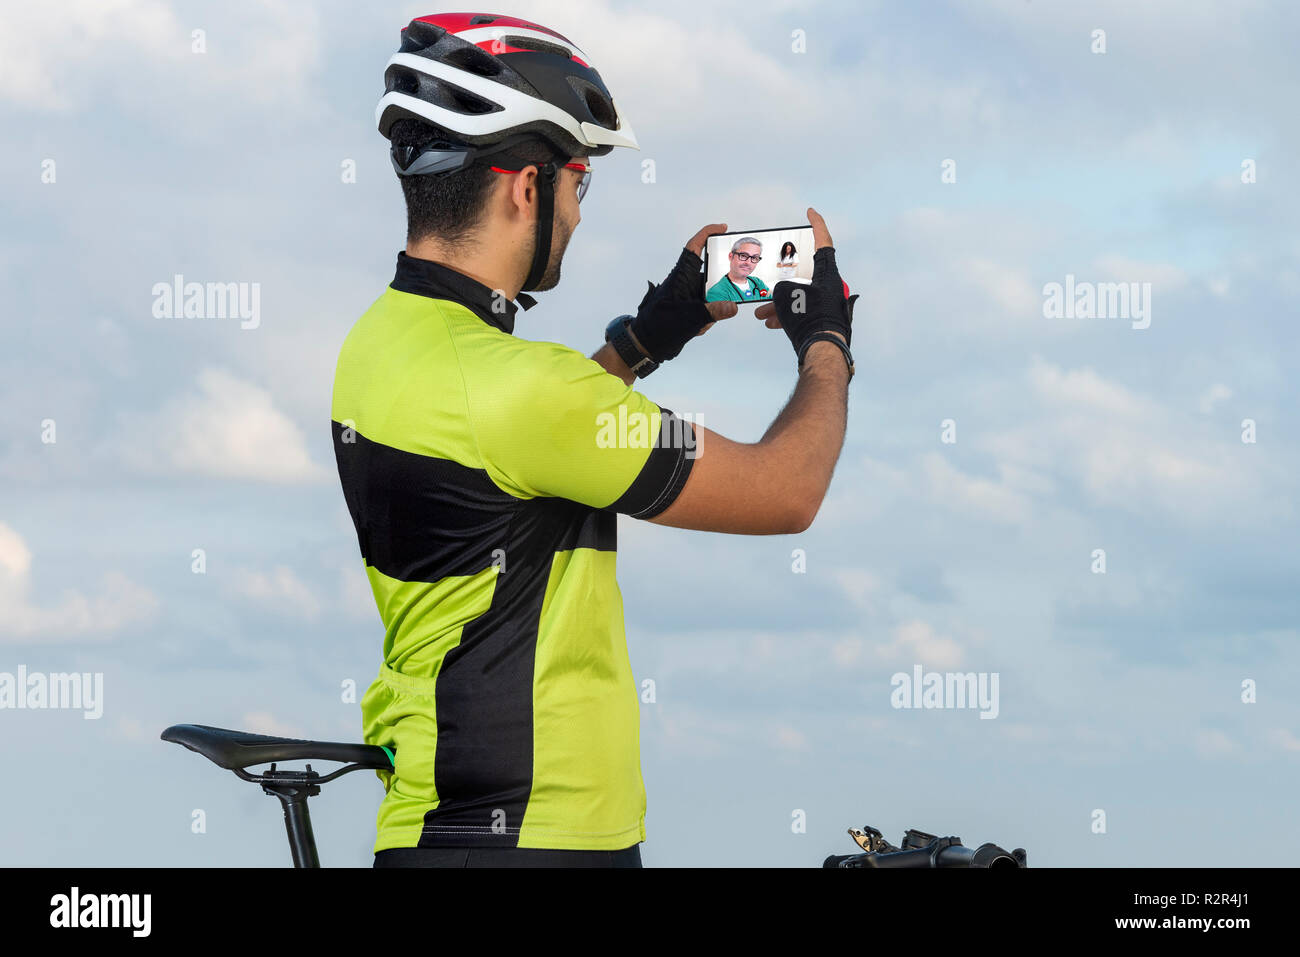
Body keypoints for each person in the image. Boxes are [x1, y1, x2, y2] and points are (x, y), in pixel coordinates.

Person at [332, 12, 858, 869]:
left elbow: (516, 460)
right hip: (543, 833)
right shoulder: (529, 389)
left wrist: (649, 338)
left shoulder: (379, 345)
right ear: (524, 188)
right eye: (580, 179)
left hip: (430, 825)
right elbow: (786, 489)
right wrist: (825, 342)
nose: (578, 209)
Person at [705, 236, 772, 302]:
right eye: (743, 256)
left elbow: (772, 305)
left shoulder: (757, 282)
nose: (748, 262)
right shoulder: (716, 293)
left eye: (754, 258)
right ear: (731, 256)